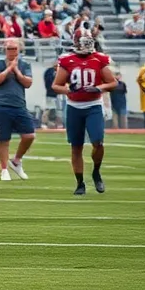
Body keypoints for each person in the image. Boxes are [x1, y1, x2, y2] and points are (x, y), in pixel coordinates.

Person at [52, 28, 117, 195]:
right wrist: (68, 90)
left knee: (98, 142)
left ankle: (96, 171)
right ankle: (80, 183)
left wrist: (98, 88)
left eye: (88, 43)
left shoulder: (98, 59)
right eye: (84, 43)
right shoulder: (67, 60)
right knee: (76, 147)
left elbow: (112, 82)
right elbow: (56, 85)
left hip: (93, 105)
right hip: (74, 107)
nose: (86, 47)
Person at [0, 38, 35, 182]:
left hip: (19, 104)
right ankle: (4, 169)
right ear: (5, 50)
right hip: (1, 105)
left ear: (19, 50)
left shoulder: (24, 64)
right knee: (4, 140)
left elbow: (28, 83)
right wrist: (8, 69)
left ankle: (16, 160)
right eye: (9, 49)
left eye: (14, 49)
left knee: (29, 135)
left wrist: (16, 71)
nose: (12, 52)